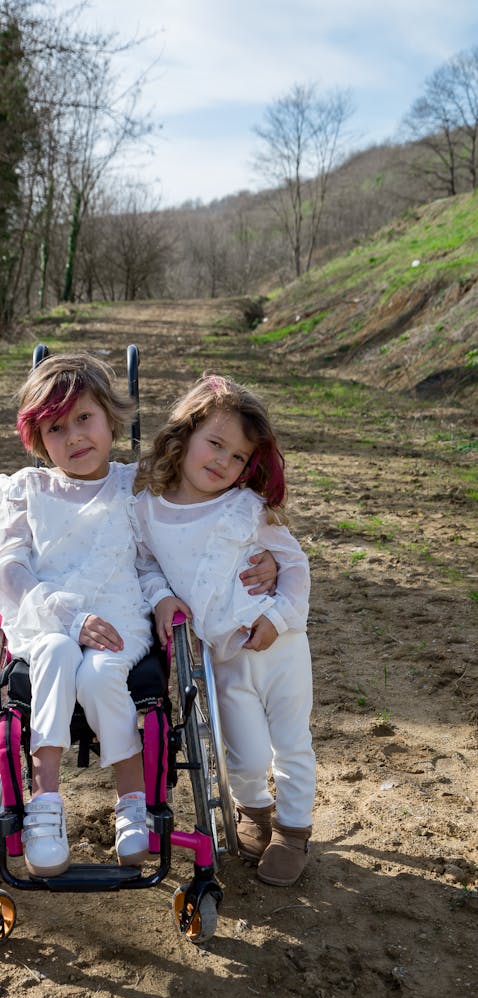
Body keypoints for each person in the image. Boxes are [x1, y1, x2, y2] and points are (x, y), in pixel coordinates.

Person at [0, 354, 277, 878]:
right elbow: (4, 571)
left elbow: (165, 552)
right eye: (55, 428)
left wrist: (261, 556)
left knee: (99, 673)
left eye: (84, 419)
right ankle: (44, 806)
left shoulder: (134, 486)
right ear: (37, 439)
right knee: (51, 650)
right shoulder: (27, 490)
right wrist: (64, 616)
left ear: (112, 418)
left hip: (121, 617)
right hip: (47, 617)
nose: (73, 437)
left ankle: (132, 802)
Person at [131, 374, 315, 887]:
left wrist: (278, 619)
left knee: (292, 741)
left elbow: (294, 567)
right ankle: (253, 812)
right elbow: (145, 568)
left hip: (281, 646)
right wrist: (163, 597)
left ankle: (293, 831)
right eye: (215, 444)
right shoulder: (148, 510)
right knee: (247, 751)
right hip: (222, 656)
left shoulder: (246, 508)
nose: (223, 462)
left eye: (237, 457)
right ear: (183, 435)